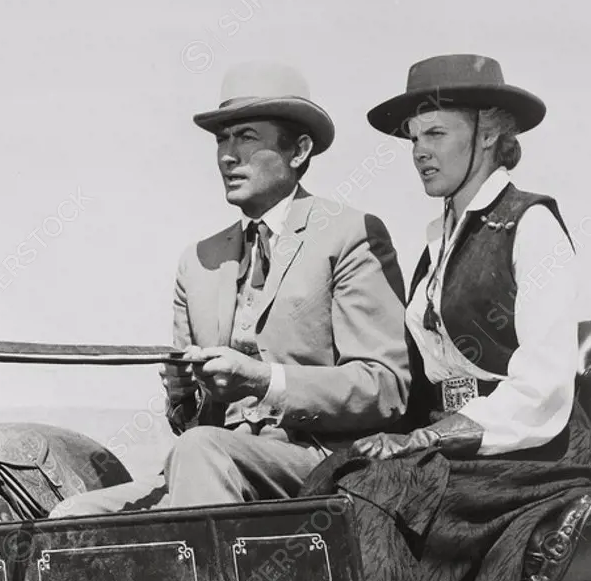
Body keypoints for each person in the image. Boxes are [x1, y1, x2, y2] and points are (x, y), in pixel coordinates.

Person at [301, 54, 591, 581]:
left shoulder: (533, 225)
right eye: (414, 138)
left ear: (489, 131)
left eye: (435, 133)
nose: (418, 152)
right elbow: (420, 379)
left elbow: (543, 389)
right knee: (339, 477)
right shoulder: (439, 237)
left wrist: (423, 440)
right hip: (460, 452)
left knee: (380, 490)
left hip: (534, 453)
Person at [51, 62, 410, 517]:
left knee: (202, 452)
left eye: (246, 137)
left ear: (298, 151)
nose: (226, 155)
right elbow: (190, 424)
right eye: (222, 139)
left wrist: (262, 381)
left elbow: (386, 387)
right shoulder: (198, 260)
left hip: (320, 466)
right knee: (70, 520)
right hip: (211, 466)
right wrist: (185, 394)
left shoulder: (349, 234)